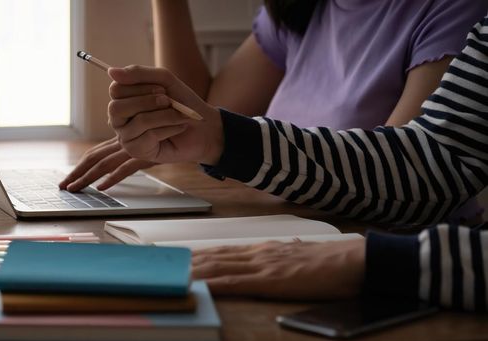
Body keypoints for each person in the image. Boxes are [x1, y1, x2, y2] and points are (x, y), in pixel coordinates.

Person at [98, 15, 488, 311]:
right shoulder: (296, 9)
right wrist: (219, 137)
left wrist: (387, 261)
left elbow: (429, 178)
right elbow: (436, 162)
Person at [60, 0, 487, 224]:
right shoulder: (301, 6)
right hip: (278, 222)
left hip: (366, 242)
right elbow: (208, 111)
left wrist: (218, 137)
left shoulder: (456, 9)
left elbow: (411, 177)